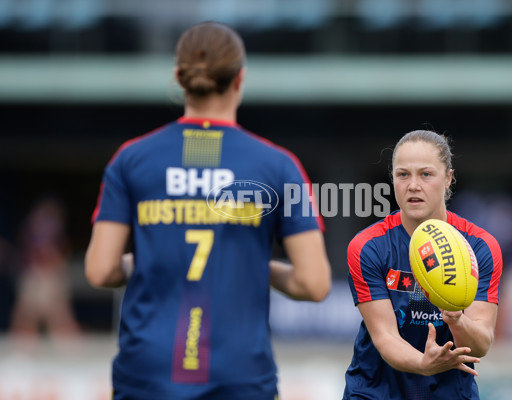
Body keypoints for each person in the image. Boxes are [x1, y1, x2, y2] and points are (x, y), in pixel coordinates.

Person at [85, 21, 331, 400]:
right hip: (239, 374)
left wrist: (144, 261)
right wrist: (247, 265)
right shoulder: (279, 166)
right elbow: (313, 284)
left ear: (178, 77)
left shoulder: (130, 159)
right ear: (240, 79)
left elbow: (101, 270)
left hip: (147, 372)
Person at [344, 130, 503, 399]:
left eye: (426, 174)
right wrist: (423, 364)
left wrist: (456, 319)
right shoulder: (367, 246)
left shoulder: (480, 246)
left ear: (448, 179)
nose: (413, 185)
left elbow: (481, 344)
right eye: (403, 174)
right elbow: (385, 337)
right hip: (376, 392)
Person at [10, 196, 81, 342]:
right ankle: (23, 353)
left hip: (51, 279)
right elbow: (25, 255)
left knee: (59, 316)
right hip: (34, 277)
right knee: (26, 317)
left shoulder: (56, 234)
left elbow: (60, 257)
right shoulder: (31, 230)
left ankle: (71, 352)